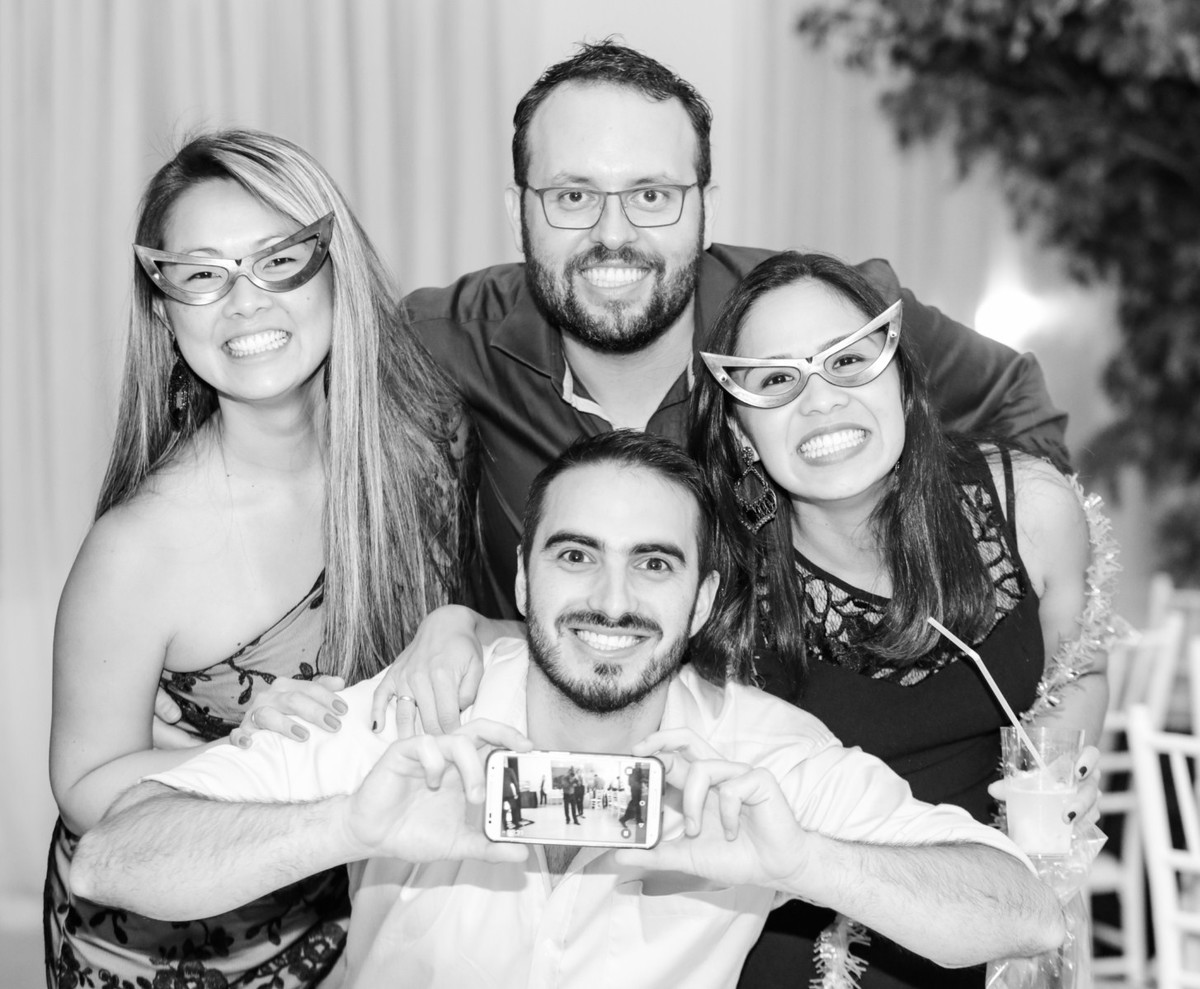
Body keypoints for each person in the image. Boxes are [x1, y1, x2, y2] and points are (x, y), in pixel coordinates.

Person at [70, 432, 1064, 989]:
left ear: (703, 603)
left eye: (655, 563)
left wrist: (802, 860)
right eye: (577, 554)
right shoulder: (415, 717)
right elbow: (111, 857)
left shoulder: (760, 757)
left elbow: (1022, 910)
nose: (611, 599)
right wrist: (349, 826)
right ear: (523, 578)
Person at [399, 38, 1070, 624]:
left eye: (652, 196)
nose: (614, 234)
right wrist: (461, 628)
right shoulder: (440, 342)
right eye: (573, 196)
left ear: (706, 212)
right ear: (518, 212)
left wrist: (925, 573)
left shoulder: (828, 322)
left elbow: (1015, 399)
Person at [45, 130, 467, 989]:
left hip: (333, 900)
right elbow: (86, 784)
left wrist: (455, 626)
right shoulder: (138, 547)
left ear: (335, 269)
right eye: (202, 275)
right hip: (158, 947)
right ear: (165, 311)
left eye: (278, 260)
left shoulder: (418, 456)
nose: (244, 302)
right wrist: (243, 751)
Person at [688, 250, 1113, 987]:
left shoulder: (1030, 509)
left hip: (995, 924)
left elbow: (1079, 667)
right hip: (798, 943)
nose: (821, 401)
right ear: (738, 431)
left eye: (849, 360)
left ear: (901, 379)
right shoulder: (720, 586)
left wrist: (1054, 782)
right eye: (777, 380)